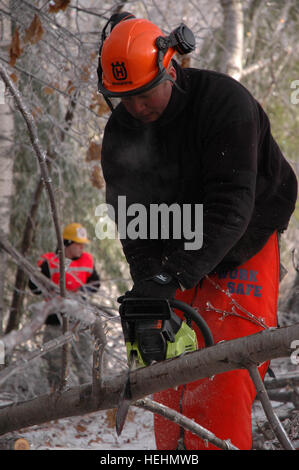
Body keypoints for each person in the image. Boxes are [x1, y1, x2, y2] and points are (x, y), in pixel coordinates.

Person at [97, 14, 298, 450]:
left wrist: (173, 276)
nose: (136, 107)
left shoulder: (223, 104)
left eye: (144, 93)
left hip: (245, 238)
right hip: (176, 244)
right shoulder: (121, 134)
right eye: (124, 98)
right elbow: (133, 219)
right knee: (172, 376)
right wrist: (150, 281)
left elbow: (232, 208)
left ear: (170, 67)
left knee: (225, 374)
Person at [29, 222, 100, 389]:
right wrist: (40, 281)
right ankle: (56, 398)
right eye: (79, 244)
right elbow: (33, 288)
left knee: (84, 361)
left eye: (83, 244)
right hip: (55, 321)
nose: (82, 248)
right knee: (54, 364)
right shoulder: (48, 261)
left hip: (79, 320)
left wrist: (83, 289)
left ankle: (89, 397)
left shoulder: (87, 260)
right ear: (67, 243)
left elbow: (96, 283)